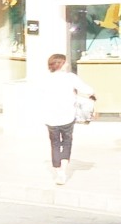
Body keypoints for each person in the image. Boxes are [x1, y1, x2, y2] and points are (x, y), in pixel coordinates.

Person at [38, 53, 95, 186]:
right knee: (67, 142)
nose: (68, 64)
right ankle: (63, 170)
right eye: (65, 62)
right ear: (61, 64)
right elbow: (87, 89)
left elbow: (41, 96)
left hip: (50, 117)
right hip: (67, 116)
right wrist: (92, 94)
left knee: (55, 143)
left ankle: (59, 172)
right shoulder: (70, 78)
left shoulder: (46, 79)